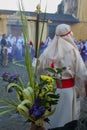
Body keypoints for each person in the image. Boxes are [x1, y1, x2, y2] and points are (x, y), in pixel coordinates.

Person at [37, 24, 87, 129]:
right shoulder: (73, 51)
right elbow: (82, 74)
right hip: (67, 92)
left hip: (50, 91)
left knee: (51, 119)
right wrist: (80, 90)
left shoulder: (47, 51)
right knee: (66, 121)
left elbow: (39, 71)